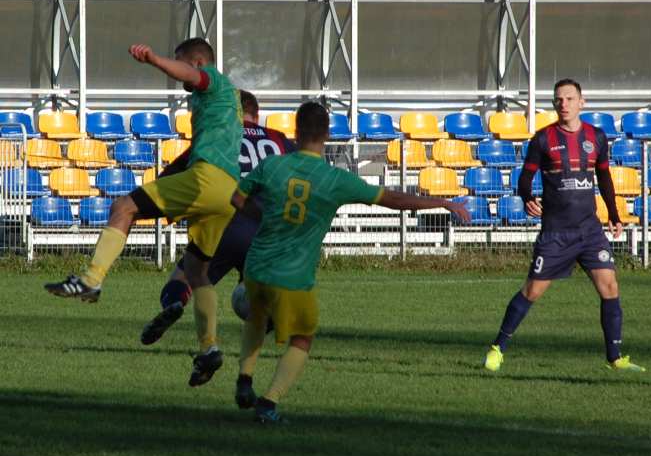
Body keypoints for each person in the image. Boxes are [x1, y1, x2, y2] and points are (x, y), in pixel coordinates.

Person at [230, 101, 470, 424]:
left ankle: (245, 380)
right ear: (327, 134)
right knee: (303, 336)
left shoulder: (272, 166)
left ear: (296, 131)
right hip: (291, 275)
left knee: (256, 318)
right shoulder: (334, 179)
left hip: (254, 268)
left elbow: (236, 198)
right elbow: (393, 200)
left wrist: (262, 217)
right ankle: (268, 403)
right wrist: (441, 202)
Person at [45, 38, 244, 387]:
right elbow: (193, 152)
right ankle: (209, 347)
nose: (178, 75)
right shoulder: (219, 105)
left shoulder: (212, 79)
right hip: (226, 191)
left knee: (123, 207)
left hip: (207, 179)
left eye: (182, 65)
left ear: (198, 62)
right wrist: (165, 178)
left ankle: (91, 280)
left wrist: (154, 59)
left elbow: (192, 74)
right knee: (197, 272)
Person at [483, 79, 646, 373]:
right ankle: (498, 347)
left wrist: (614, 213)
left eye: (570, 98)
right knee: (532, 291)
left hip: (590, 231)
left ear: (581, 102)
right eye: (559, 99)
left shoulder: (596, 137)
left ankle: (615, 357)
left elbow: (605, 177)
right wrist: (527, 197)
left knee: (610, 286)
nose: (564, 104)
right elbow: (525, 177)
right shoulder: (543, 139)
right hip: (556, 233)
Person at [139, 90, 294, 346]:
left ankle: (175, 302)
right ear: (257, 114)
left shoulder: (216, 139)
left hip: (223, 226)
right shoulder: (278, 139)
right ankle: (269, 316)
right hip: (266, 230)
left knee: (186, 277)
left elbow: (167, 179)